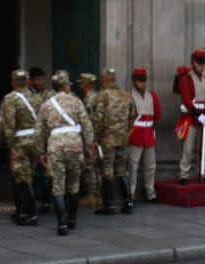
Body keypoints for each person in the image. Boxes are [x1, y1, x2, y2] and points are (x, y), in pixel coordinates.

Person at [35, 70, 95, 236]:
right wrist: (89, 146)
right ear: (65, 86)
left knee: (58, 185)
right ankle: (72, 219)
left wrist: (40, 151)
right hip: (75, 146)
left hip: (56, 148)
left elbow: (39, 131)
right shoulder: (76, 101)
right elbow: (87, 125)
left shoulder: (46, 105)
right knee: (74, 184)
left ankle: (61, 223)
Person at [89, 68, 137, 214]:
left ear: (105, 79)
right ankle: (128, 202)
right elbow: (133, 115)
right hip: (123, 138)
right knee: (122, 169)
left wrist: (95, 138)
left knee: (107, 169)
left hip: (107, 139)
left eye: (102, 79)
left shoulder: (102, 95)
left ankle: (109, 204)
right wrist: (126, 131)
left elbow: (98, 119)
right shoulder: (126, 95)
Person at [0, 69, 40, 226]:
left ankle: (27, 213)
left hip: (20, 143)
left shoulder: (11, 99)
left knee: (22, 178)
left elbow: (7, 125)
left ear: (13, 82)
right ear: (27, 82)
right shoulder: (36, 98)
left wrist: (10, 146)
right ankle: (22, 211)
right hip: (35, 142)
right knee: (30, 175)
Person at [175, 50, 205, 183]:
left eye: (202, 63)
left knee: (204, 147)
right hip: (191, 117)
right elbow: (186, 100)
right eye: (198, 63)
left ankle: (203, 171)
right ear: (193, 63)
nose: (201, 66)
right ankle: (183, 174)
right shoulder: (185, 79)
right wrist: (198, 115)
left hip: (204, 117)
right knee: (188, 147)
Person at [127, 68, 161, 204]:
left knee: (150, 166)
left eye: (144, 81)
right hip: (135, 134)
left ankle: (150, 193)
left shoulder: (152, 96)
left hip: (148, 133)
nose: (142, 84)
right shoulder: (129, 96)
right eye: (139, 81)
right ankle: (130, 195)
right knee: (132, 166)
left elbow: (157, 114)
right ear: (134, 81)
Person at [28, 66, 50, 212]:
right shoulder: (27, 96)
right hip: (33, 136)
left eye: (42, 79)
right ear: (31, 81)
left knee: (44, 168)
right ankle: (35, 195)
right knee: (33, 168)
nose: (41, 82)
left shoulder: (47, 94)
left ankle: (45, 198)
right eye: (38, 80)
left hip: (46, 136)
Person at [78, 73, 102, 207]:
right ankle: (99, 195)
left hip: (90, 137)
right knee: (97, 167)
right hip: (98, 137)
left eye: (81, 83)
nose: (80, 85)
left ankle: (91, 195)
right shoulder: (99, 96)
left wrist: (89, 140)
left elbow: (87, 121)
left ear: (86, 84)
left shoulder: (88, 99)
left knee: (90, 166)